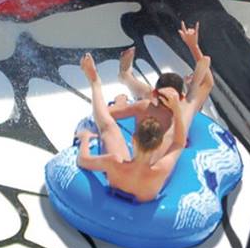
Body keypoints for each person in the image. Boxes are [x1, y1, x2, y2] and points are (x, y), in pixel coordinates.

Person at [74, 53, 187, 203]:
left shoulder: (114, 162)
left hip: (118, 179)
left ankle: (95, 82)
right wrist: (177, 111)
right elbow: (179, 143)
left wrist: (85, 140)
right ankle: (125, 77)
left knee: (108, 127)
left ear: (133, 139)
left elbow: (82, 160)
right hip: (146, 196)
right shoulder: (161, 170)